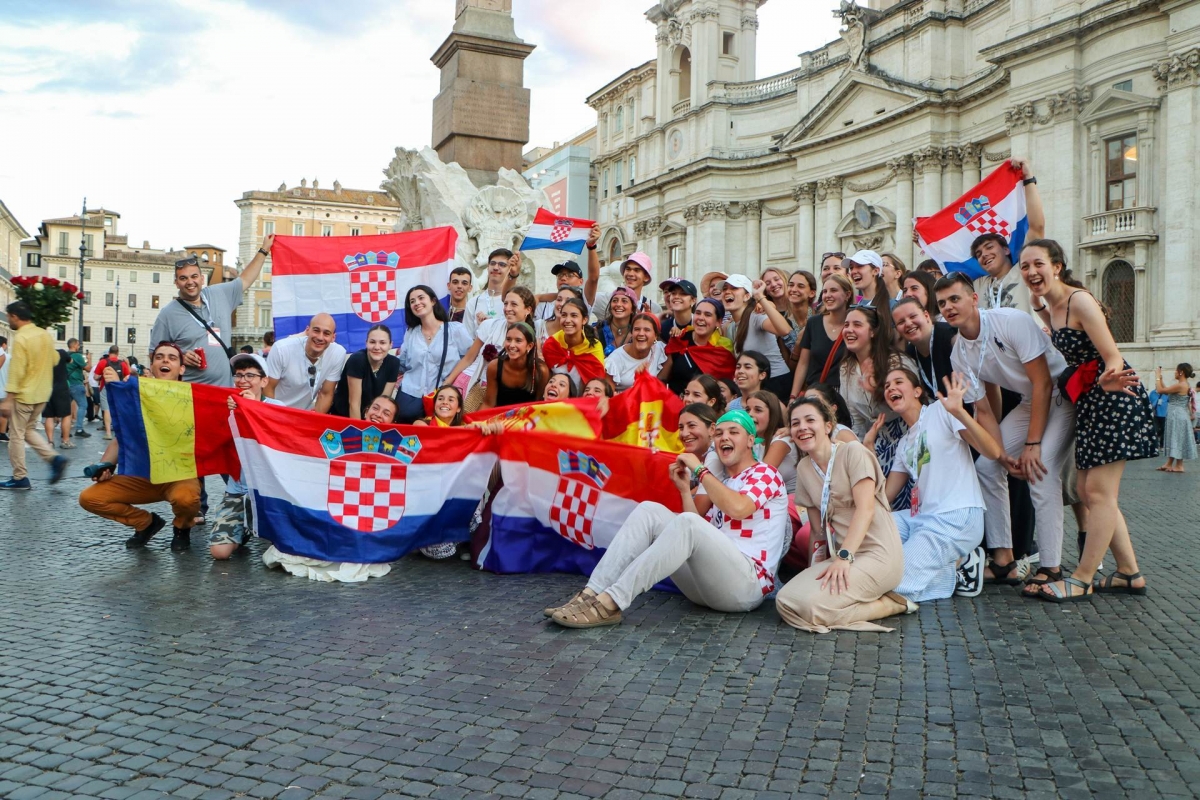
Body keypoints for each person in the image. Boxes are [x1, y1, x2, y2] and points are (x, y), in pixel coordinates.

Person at [545, 410, 787, 628]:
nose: (724, 437)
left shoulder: (766, 473)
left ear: (750, 441)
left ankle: (611, 602)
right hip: (712, 585)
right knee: (649, 510)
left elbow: (738, 508)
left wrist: (700, 471)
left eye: (734, 432)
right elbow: (697, 532)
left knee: (687, 523)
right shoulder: (723, 481)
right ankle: (591, 593)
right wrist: (684, 489)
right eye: (720, 433)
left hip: (748, 586)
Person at [1020, 239, 1154, 601]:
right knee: (1086, 491)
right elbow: (1064, 335)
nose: (1031, 272)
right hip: (1092, 400)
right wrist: (1038, 306)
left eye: (1038, 264)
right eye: (1025, 267)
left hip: (1114, 397)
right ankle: (1128, 573)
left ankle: (1081, 577)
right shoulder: (1054, 304)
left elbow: (1112, 355)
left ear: (1057, 266)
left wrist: (1109, 377)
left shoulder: (1079, 300)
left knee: (1097, 492)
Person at [937, 271, 1074, 593]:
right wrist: (1001, 455)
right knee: (987, 466)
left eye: (955, 299)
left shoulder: (1010, 321)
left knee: (1040, 470)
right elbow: (984, 409)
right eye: (942, 303)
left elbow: (1043, 382)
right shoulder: (959, 353)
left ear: (974, 299)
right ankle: (1004, 560)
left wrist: (1032, 444)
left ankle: (1051, 567)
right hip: (1031, 402)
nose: (948, 307)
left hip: (1062, 394)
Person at [775, 395, 914, 633]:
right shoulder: (804, 468)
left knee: (812, 609)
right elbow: (818, 532)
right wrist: (814, 569)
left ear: (828, 426)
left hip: (877, 554)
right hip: (841, 557)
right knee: (786, 601)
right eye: (795, 423)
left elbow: (866, 509)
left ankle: (888, 605)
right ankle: (843, 606)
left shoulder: (852, 452)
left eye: (810, 420)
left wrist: (844, 557)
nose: (802, 428)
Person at [881, 369, 1002, 601]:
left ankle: (958, 570)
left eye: (898, 382)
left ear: (917, 391)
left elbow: (993, 451)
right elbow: (885, 498)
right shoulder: (904, 443)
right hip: (921, 518)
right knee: (873, 529)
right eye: (887, 386)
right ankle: (956, 563)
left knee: (892, 582)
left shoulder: (941, 411)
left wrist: (960, 412)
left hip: (955, 517)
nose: (891, 388)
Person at [78, 342, 200, 550]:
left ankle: (182, 527)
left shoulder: (194, 397)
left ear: (181, 369)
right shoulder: (135, 395)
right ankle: (145, 523)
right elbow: (122, 437)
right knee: (90, 498)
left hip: (178, 475)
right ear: (151, 366)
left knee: (186, 499)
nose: (165, 360)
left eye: (172, 358)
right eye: (159, 357)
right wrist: (105, 466)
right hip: (140, 475)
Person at [148, 237, 272, 387]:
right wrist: (179, 357)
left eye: (194, 276)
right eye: (183, 278)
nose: (190, 282)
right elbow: (154, 354)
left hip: (224, 391)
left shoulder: (220, 294)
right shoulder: (167, 314)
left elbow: (246, 279)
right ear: (176, 282)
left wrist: (264, 250)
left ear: (202, 278)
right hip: (190, 393)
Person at [841, 304, 918, 504]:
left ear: (873, 331)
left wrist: (876, 391)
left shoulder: (896, 362)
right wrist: (859, 454)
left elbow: (912, 404)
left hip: (908, 434)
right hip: (875, 440)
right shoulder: (846, 368)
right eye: (846, 324)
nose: (849, 330)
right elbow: (854, 416)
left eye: (857, 325)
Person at [211, 353, 282, 560]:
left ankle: (256, 525)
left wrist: (254, 409)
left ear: (264, 381)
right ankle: (243, 530)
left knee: (286, 546)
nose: (242, 380)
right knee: (219, 553)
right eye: (239, 375)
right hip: (238, 490)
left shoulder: (278, 408)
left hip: (272, 493)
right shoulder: (226, 406)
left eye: (250, 375)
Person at [0, 302, 69, 489]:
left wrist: (8, 399)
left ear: (15, 316)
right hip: (42, 393)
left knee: (16, 435)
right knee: (28, 430)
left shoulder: (21, 338)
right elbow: (54, 359)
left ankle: (19, 477)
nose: (8, 319)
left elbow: (17, 370)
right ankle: (54, 459)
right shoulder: (44, 334)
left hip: (24, 395)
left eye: (9, 316)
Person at [971, 159, 1044, 315]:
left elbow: (1037, 228)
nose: (984, 254)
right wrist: (926, 242)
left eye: (989, 247)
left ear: (1006, 250)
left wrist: (1028, 179)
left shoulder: (1023, 270)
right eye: (978, 254)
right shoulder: (978, 284)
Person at [444, 286, 537, 409]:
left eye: (514, 304)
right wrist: (447, 383)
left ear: (528, 310)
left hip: (505, 390)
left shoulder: (536, 332)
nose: (508, 309)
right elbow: (468, 358)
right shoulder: (490, 325)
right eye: (505, 304)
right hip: (473, 381)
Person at [394, 285, 472, 423]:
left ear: (433, 301)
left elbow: (469, 358)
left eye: (420, 298)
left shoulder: (455, 330)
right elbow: (402, 363)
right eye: (412, 301)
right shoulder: (411, 333)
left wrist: (449, 381)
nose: (417, 303)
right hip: (410, 392)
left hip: (441, 395)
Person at [723, 274, 792, 398]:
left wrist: (760, 297)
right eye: (725, 288)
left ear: (747, 296)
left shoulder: (757, 316)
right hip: (755, 385)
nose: (727, 291)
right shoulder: (730, 327)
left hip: (776, 382)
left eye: (734, 288)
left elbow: (785, 330)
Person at [264, 313, 348, 413]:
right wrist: (274, 417)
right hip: (277, 412)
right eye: (316, 330)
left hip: (304, 417)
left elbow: (326, 394)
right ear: (307, 330)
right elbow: (268, 387)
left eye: (326, 333)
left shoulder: (338, 353)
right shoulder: (281, 349)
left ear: (333, 337)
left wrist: (313, 422)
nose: (320, 337)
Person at [790, 274, 851, 397]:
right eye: (824, 291)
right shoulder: (814, 323)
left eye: (833, 290)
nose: (827, 295)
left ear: (847, 295)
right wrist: (793, 396)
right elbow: (803, 363)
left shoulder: (854, 324)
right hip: (816, 393)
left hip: (846, 394)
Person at [660, 298, 736, 394]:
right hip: (676, 405)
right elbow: (662, 379)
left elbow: (727, 388)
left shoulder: (724, 349)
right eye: (698, 313)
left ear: (718, 321)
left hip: (707, 407)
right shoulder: (679, 340)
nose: (701, 318)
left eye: (707, 315)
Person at [330, 324, 400, 419]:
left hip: (369, 416)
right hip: (345, 416)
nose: (377, 347)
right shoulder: (357, 360)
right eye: (372, 342)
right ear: (366, 343)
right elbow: (354, 404)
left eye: (382, 343)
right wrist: (359, 432)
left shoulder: (394, 363)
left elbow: (383, 402)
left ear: (390, 345)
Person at [892, 297, 957, 399]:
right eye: (901, 322)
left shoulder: (951, 337)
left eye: (913, 316)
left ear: (926, 315)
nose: (908, 323)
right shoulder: (910, 354)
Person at [480, 322, 547, 409]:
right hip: (500, 419)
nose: (511, 345)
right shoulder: (495, 366)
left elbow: (540, 405)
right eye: (508, 339)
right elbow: (488, 404)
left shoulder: (540, 371)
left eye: (518, 341)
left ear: (529, 346)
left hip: (528, 419)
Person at [542, 297, 606, 386]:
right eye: (564, 315)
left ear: (584, 320)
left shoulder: (594, 347)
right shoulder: (551, 344)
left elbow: (597, 385)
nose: (567, 320)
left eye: (574, 315)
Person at [586, 249, 660, 320]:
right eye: (628, 269)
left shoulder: (653, 308)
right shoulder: (605, 299)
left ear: (646, 277)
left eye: (636, 270)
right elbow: (583, 299)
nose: (631, 274)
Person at [464, 249, 520, 338]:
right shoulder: (473, 303)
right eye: (493, 263)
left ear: (510, 269)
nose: (496, 268)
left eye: (502, 265)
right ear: (488, 267)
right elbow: (467, 340)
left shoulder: (516, 304)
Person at [606, 313, 667, 392]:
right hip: (623, 402)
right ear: (631, 333)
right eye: (637, 329)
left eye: (647, 330)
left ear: (655, 336)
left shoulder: (660, 349)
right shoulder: (615, 360)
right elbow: (608, 395)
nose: (641, 334)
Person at [1157, 363, 1197, 472]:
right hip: (1177, 413)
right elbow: (1166, 390)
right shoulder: (1182, 384)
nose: (1174, 372)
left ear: (1181, 372)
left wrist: (1156, 377)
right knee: (1175, 437)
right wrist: (1161, 379)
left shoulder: (1182, 385)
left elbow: (1160, 391)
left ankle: (1179, 465)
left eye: (1176, 370)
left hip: (1177, 414)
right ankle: (1169, 463)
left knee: (1177, 438)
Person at [92, 346, 130, 440]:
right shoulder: (122, 363)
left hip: (106, 387)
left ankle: (108, 433)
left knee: (107, 410)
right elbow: (128, 376)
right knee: (119, 408)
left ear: (109, 352)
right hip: (119, 387)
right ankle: (120, 432)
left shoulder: (103, 362)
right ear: (117, 353)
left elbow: (96, 377)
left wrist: (102, 377)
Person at [533, 258, 587, 322]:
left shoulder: (585, 302)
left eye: (570, 275)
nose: (563, 278)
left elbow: (594, 278)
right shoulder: (544, 305)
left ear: (580, 281)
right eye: (560, 275)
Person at [41, 347, 73, 449]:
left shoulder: (42, 355)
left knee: (49, 416)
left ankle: (50, 442)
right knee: (66, 415)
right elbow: (70, 361)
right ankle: (65, 440)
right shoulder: (62, 353)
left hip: (46, 387)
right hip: (61, 388)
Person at [845, 250, 894, 315]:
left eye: (860, 266)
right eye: (851, 268)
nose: (853, 271)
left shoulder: (893, 306)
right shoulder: (853, 309)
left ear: (875, 271)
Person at [593, 286, 636, 356]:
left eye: (624, 301)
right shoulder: (596, 331)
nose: (618, 304)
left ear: (632, 309)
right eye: (615, 300)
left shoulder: (637, 334)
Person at [65, 338, 90, 441]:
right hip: (76, 384)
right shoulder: (78, 356)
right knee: (83, 405)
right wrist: (89, 359)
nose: (79, 346)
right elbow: (88, 368)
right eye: (78, 345)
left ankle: (64, 431)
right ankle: (79, 429)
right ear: (75, 345)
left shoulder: (64, 356)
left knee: (66, 408)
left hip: (66, 384)